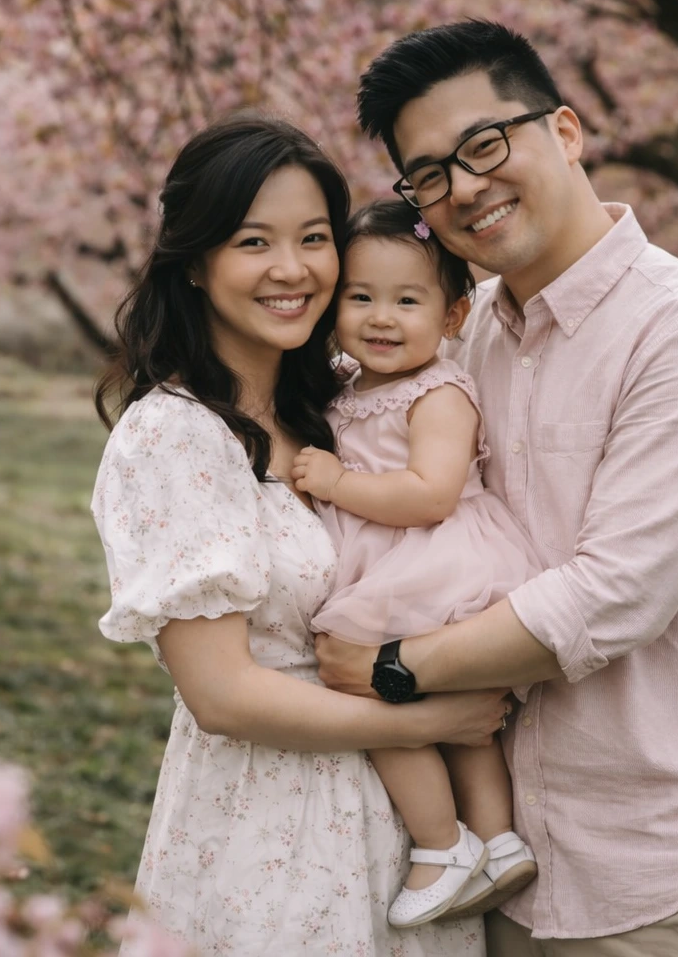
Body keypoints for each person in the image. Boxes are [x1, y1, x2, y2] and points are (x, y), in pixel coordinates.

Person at [314, 19, 678, 956]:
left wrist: (389, 666)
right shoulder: (466, 339)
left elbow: (614, 593)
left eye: (485, 144)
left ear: (567, 132)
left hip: (663, 871)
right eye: (429, 175)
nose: (465, 188)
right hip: (510, 869)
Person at [91, 112, 509, 954]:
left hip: (398, 838)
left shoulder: (336, 406)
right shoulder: (176, 434)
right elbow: (222, 695)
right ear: (198, 261)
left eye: (314, 238)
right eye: (254, 242)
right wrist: (426, 721)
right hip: (268, 831)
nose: (292, 270)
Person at [290, 200, 542, 928]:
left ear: (454, 316)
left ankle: (443, 845)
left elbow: (431, 495)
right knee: (460, 724)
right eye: (361, 297)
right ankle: (498, 842)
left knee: (375, 704)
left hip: (431, 560)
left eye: (408, 300)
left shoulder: (438, 392)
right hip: (404, 562)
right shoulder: (349, 387)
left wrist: (339, 485)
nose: (381, 317)